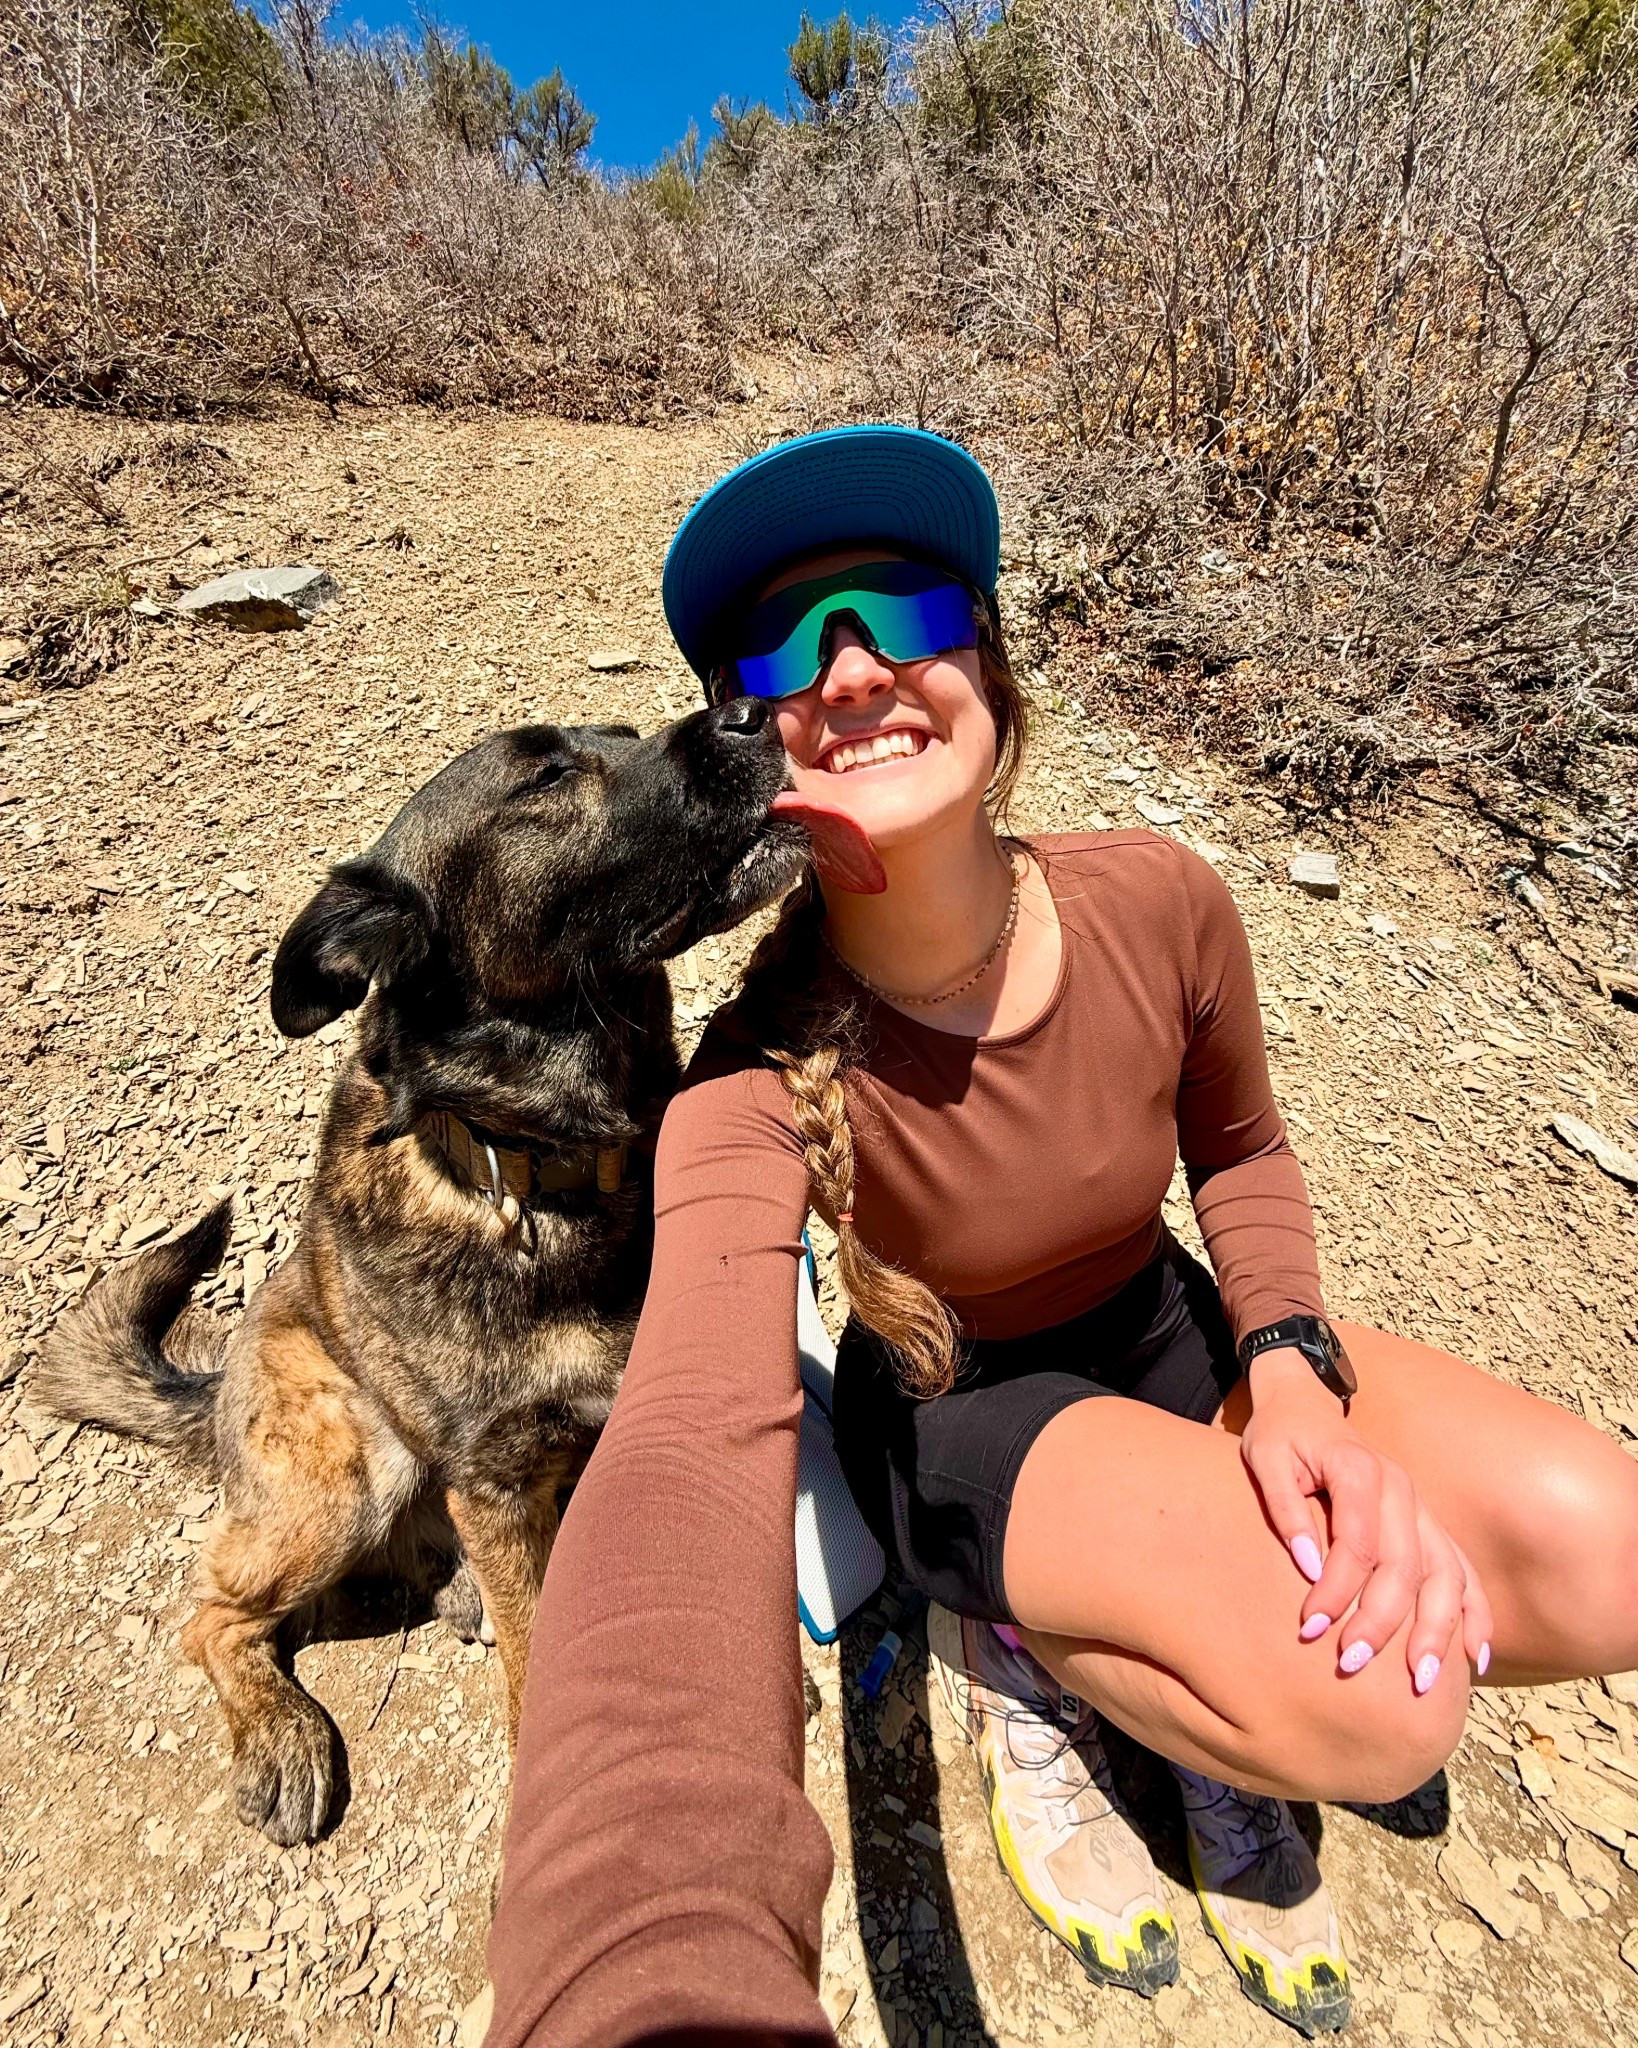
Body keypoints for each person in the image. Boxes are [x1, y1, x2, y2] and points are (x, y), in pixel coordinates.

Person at [486, 427, 1638, 2047]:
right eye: (782, 651)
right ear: (746, 749)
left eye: (903, 609)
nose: (852, 669)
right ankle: (1033, 1651)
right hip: (960, 1411)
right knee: (1387, 1710)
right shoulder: (746, 1087)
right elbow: (684, 1443)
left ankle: (1188, 1641)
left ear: (989, 664)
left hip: (1165, 1330)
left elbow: (1240, 1152)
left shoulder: (1157, 900)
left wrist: (1287, 1376)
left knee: (1602, 1555)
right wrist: (636, 1954)